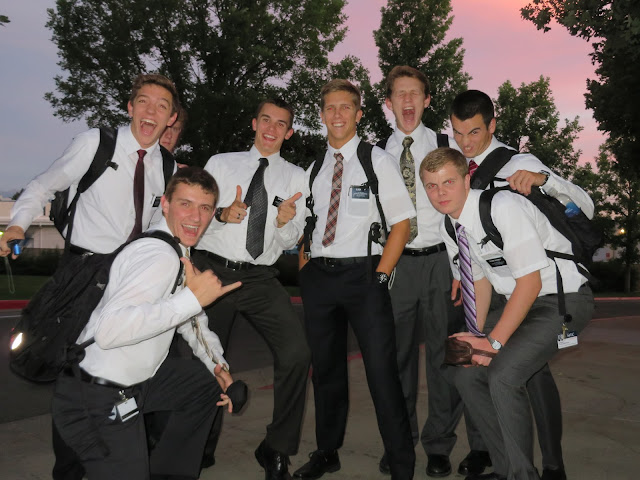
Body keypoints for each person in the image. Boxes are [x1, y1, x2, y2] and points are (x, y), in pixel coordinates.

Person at [0, 73, 181, 480]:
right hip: (82, 273)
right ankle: (68, 471)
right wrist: (17, 225)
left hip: (130, 278)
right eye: (144, 101)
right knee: (73, 375)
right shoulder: (96, 144)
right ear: (130, 107)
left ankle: (118, 454)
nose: (151, 111)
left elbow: (162, 223)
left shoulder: (166, 166)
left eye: (162, 106)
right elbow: (42, 186)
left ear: (170, 119)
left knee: (123, 371)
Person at [52, 167, 243, 479]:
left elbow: (190, 320)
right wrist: (192, 299)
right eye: (185, 204)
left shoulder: (176, 250)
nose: (196, 217)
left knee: (203, 383)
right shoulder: (158, 256)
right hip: (97, 397)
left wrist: (218, 367)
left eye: (205, 207)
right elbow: (109, 331)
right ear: (165, 204)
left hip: (136, 382)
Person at [420, 147, 594, 480]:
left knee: (503, 376)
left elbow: (530, 283)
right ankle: (507, 469)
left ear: (467, 179)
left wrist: (492, 343)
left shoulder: (502, 207)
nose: (440, 192)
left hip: (563, 302)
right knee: (464, 372)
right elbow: (480, 281)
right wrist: (475, 335)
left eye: (448, 182)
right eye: (431, 185)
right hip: (521, 303)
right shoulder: (450, 225)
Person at [293, 79, 415, 480]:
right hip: (319, 279)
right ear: (321, 114)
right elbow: (307, 225)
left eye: (345, 107)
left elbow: (401, 224)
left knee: (382, 374)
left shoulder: (377, 160)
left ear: (359, 114)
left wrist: (380, 277)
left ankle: (401, 463)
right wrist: (305, 271)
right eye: (330, 107)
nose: (337, 114)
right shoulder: (314, 168)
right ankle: (327, 452)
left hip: (364, 277)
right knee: (326, 373)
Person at [191, 98, 310, 480]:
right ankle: (198, 447)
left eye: (281, 124)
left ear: (289, 132)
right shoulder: (221, 163)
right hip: (213, 271)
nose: (272, 129)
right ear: (254, 123)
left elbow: (293, 237)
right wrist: (222, 215)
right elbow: (195, 215)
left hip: (259, 277)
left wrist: (285, 222)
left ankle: (276, 448)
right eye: (266, 120)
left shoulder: (296, 177)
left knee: (296, 353)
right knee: (204, 361)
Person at [381, 66, 490, 478]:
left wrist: (464, 264)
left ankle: (439, 445)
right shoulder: (376, 154)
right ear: (389, 103)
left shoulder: (449, 146)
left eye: (415, 93)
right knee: (397, 361)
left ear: (427, 101)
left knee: (447, 359)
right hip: (396, 266)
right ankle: (401, 442)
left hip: (444, 265)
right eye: (399, 94)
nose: (407, 101)